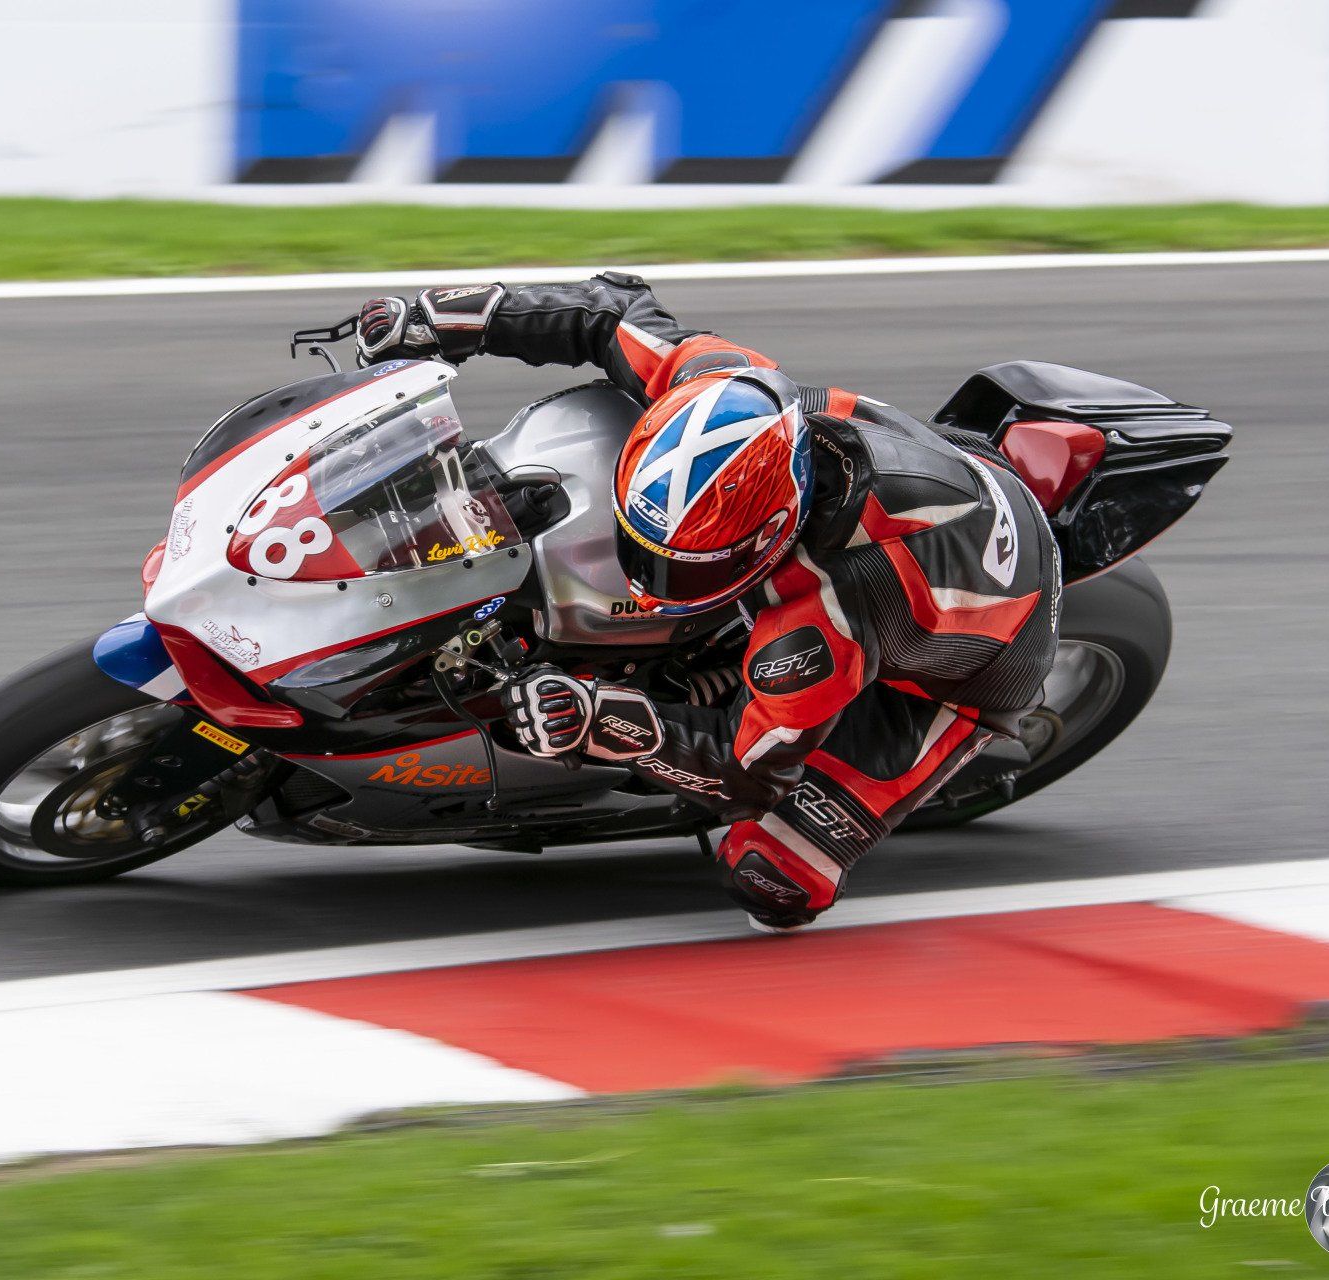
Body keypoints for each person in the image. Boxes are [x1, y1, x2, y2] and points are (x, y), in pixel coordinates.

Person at [354, 275, 1061, 932]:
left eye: (683, 571)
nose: (652, 582)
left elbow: (749, 773)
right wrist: (447, 317)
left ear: (775, 533)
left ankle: (917, 764)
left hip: (980, 657)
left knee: (773, 879)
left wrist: (606, 722)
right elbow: (610, 308)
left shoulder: (825, 619)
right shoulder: (719, 382)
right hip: (949, 470)